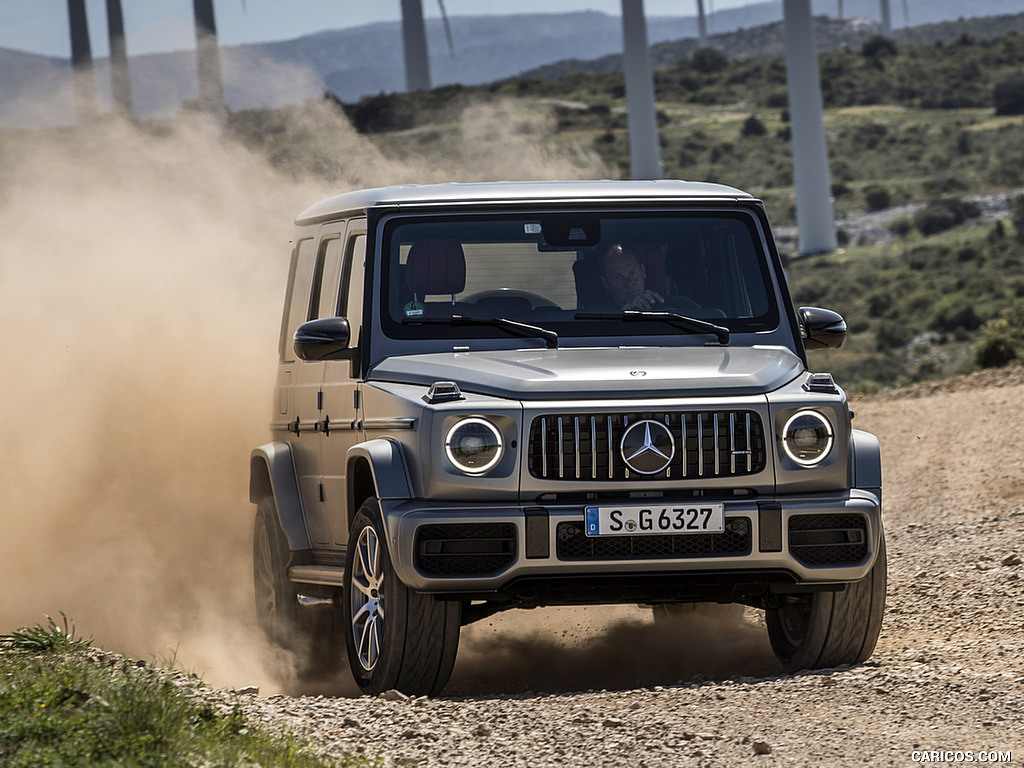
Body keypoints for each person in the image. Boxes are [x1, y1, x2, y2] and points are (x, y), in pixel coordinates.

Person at [600, 244, 664, 310]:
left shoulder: (667, 309)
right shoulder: (596, 314)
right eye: (618, 277)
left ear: (643, 271)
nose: (628, 284)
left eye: (632, 273)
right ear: (606, 283)